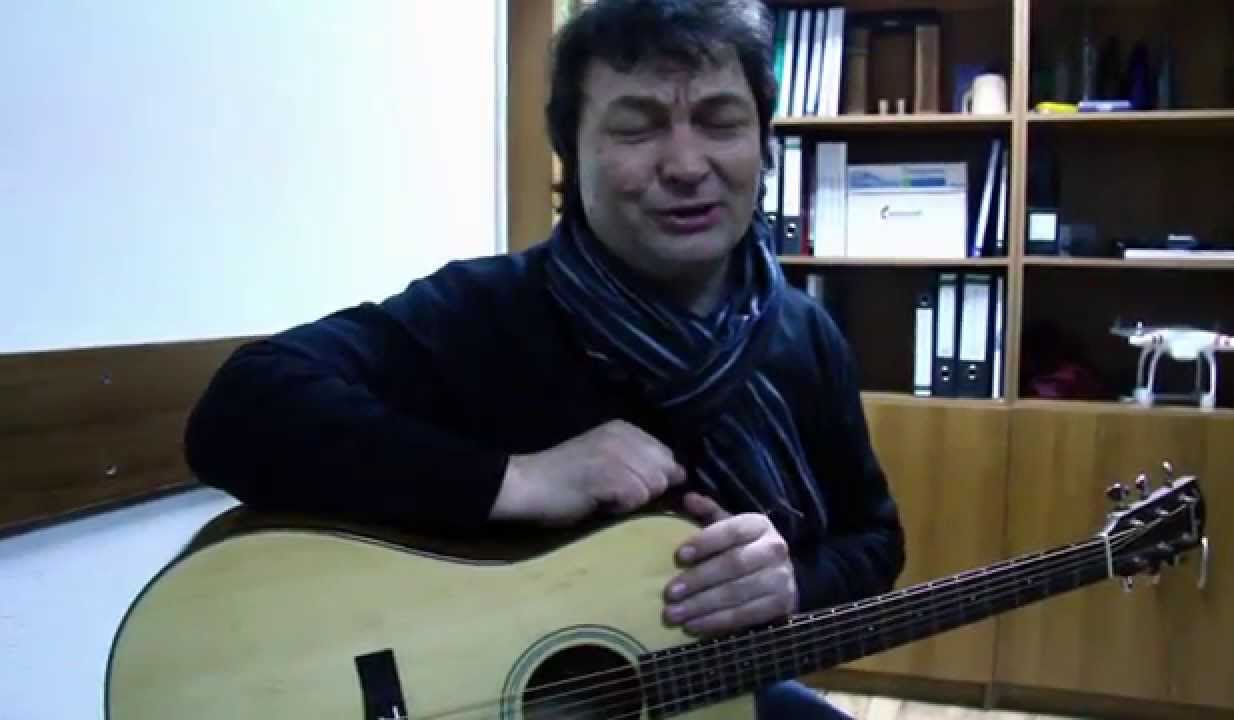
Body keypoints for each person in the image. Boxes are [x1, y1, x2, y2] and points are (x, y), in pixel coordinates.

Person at [183, 0, 905, 717]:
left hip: (698, 691)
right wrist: (517, 479)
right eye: (636, 127)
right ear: (571, 151)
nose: (687, 165)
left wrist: (792, 583)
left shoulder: (807, 336)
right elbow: (239, 411)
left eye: (721, 122)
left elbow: (873, 539)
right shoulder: (482, 312)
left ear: (764, 143)